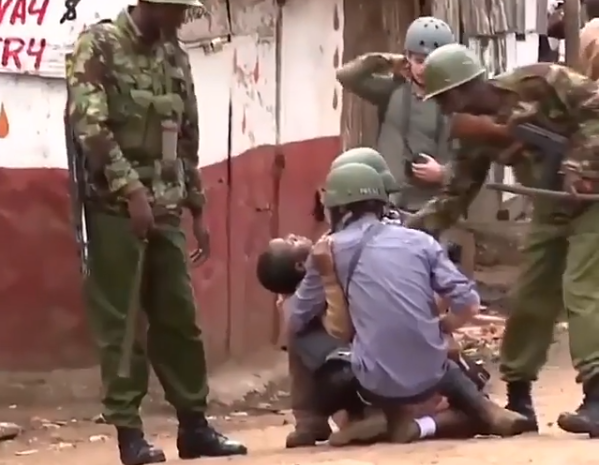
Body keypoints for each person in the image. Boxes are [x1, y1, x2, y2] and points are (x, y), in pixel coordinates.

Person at [65, 1, 248, 463]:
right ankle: (130, 434)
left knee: (178, 319)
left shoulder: (174, 55)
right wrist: (130, 191)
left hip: (166, 206)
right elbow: (91, 125)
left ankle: (194, 426)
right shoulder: (99, 45)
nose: (184, 18)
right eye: (178, 10)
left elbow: (188, 135)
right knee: (123, 323)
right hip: (113, 208)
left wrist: (198, 208)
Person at [407, 43, 599, 438]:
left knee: (581, 289)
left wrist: (581, 164)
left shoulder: (542, 82)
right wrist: (411, 229)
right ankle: (519, 396)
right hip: (551, 207)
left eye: (447, 99)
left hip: (593, 198)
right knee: (530, 297)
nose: (446, 110)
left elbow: (597, 108)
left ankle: (597, 396)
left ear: (467, 87)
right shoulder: (474, 134)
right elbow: (458, 191)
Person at [285, 162, 532, 443]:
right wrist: (441, 326)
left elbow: (296, 319)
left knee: (300, 333)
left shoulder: (328, 249)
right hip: (432, 373)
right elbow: (469, 302)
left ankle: (318, 421)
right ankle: (475, 413)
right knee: (440, 362)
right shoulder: (420, 240)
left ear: (338, 208)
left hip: (373, 381)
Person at [336, 17, 458, 213]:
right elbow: (346, 76)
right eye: (418, 60)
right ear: (408, 58)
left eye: (432, 62)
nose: (424, 68)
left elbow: (474, 161)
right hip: (388, 202)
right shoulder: (393, 90)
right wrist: (387, 61)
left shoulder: (456, 101)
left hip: (432, 208)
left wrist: (443, 174)